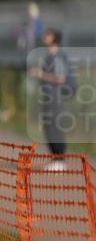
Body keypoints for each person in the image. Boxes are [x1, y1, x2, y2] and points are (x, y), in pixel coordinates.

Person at [30, 28, 76, 170]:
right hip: (50, 95)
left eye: (48, 35)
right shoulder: (50, 55)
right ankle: (55, 159)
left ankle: (60, 160)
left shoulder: (57, 56)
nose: (45, 37)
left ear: (54, 38)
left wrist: (40, 73)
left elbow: (60, 78)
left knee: (54, 127)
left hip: (56, 96)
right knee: (49, 127)